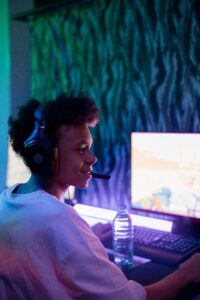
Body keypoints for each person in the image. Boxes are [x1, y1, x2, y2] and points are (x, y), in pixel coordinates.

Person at [0, 94, 199, 300]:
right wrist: (188, 272)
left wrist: (81, 241)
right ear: (43, 155)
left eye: (90, 147)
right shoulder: (58, 218)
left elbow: (43, 253)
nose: (92, 158)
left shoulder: (8, 199)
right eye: (81, 149)